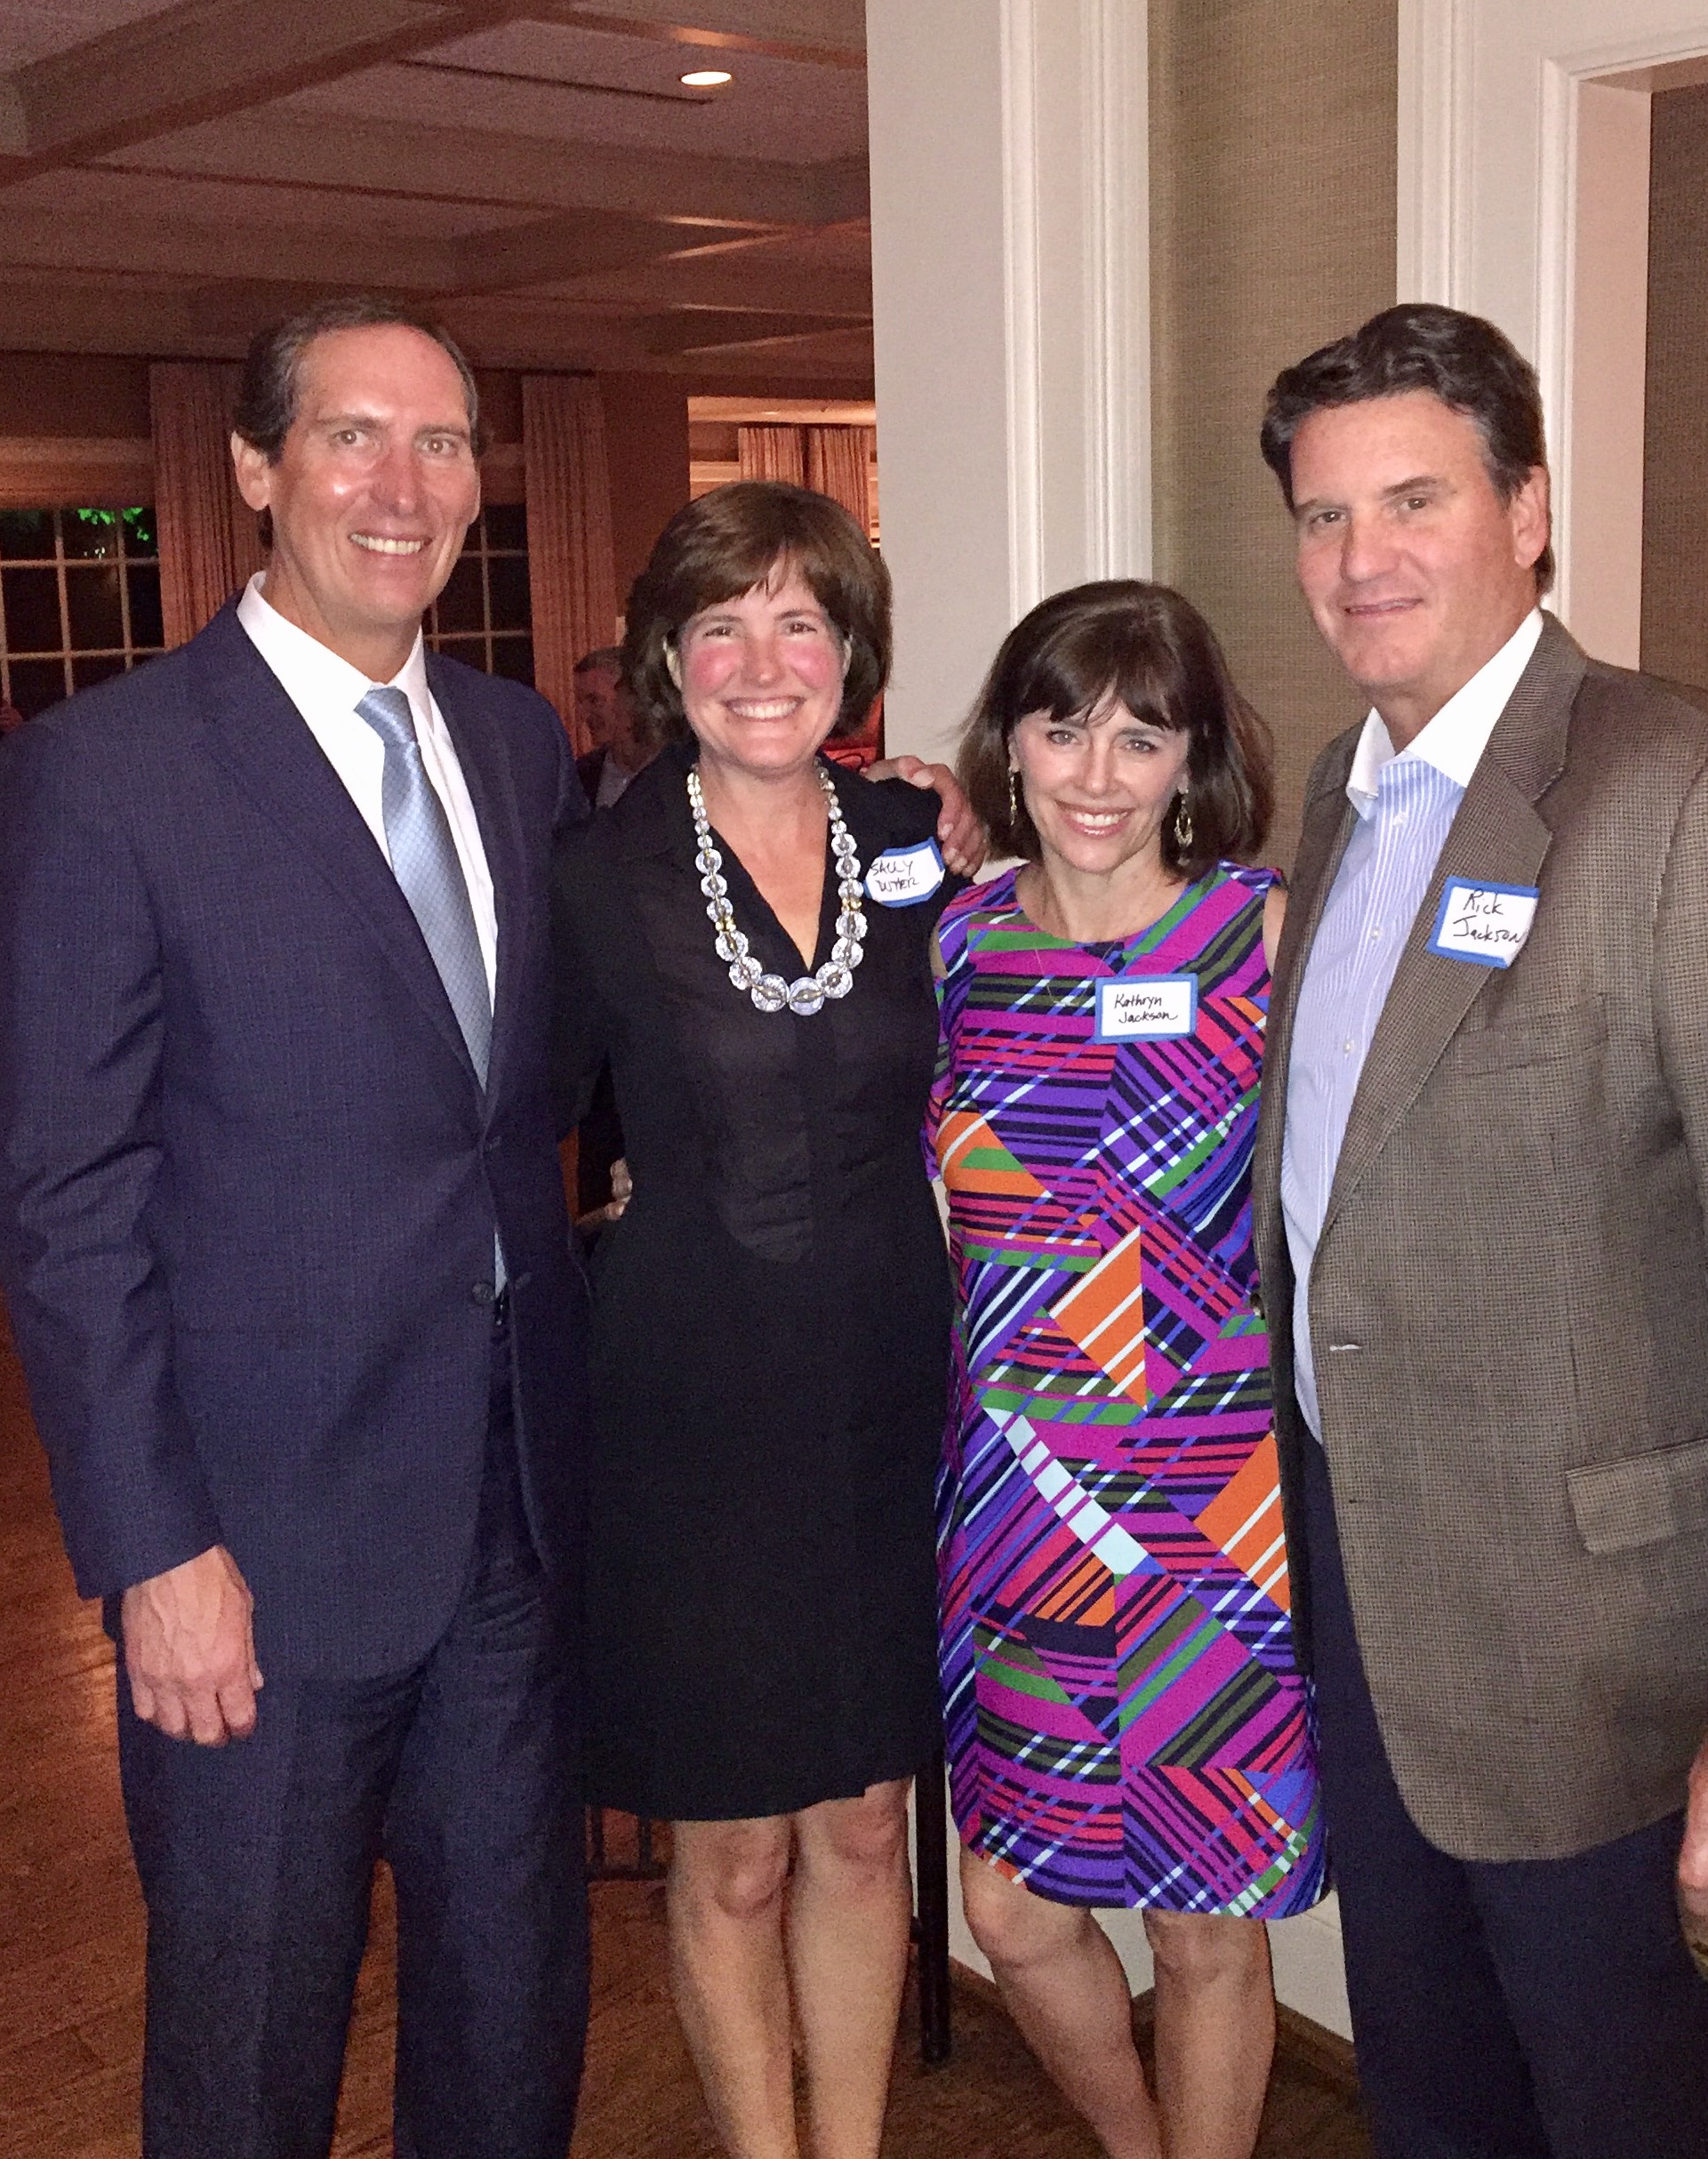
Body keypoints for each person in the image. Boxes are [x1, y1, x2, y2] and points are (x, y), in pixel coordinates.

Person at [0, 295, 589, 2159]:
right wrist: (151, 1543)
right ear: (256, 467)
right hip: (256, 1547)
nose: (400, 485)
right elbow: (66, 1196)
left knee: (514, 2017)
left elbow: (527, 1095)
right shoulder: (111, 769)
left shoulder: (510, 744)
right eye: (353, 435)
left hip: (505, 1518)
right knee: (250, 2039)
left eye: (441, 443)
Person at [1251, 301, 1708, 2157]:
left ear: (1526, 509)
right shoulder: (1339, 794)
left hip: (1598, 1647)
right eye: (1322, 515)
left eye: (1413, 499)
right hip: (1370, 1591)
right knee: (1436, 2099)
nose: (1361, 559)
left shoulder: (1660, 785)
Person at [551, 480, 979, 2159]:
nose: (760, 658)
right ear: (667, 652)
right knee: (730, 1844)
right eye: (719, 623)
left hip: (884, 1384)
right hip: (687, 1401)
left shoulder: (911, 840)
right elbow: (516, 1125)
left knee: (867, 1819)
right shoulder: (596, 873)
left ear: (851, 650)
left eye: (800, 620)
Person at [932, 581, 1324, 2159]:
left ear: (1193, 758)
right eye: (1062, 723)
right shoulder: (950, 945)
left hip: (1209, 1508)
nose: (1098, 771)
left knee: (1209, 1918)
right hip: (1017, 1497)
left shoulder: (1262, 935)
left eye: (1142, 735)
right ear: (1010, 744)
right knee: (1010, 1903)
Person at [573, 643, 656, 808]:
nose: (583, 715)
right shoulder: (581, 776)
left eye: (594, 700)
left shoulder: (674, 769)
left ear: (631, 697)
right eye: (580, 702)